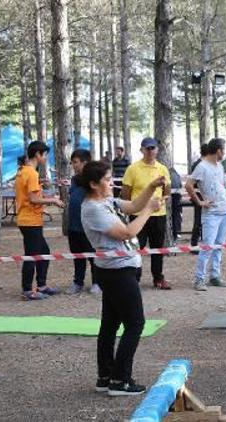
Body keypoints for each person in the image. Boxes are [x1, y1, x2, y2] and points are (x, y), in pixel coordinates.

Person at [79, 160, 164, 396]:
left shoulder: (106, 201)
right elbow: (127, 232)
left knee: (110, 324)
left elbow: (134, 205)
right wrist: (150, 210)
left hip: (120, 269)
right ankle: (119, 380)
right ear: (94, 184)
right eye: (107, 179)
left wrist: (151, 187)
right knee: (135, 324)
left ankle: (105, 376)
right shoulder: (93, 209)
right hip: (116, 271)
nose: (112, 182)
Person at [16, 141, 65, 300]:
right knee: (32, 255)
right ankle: (27, 290)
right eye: (45, 155)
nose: (46, 158)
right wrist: (53, 200)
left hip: (29, 219)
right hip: (29, 220)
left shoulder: (23, 171)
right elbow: (33, 199)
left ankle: (42, 285)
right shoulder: (31, 173)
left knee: (43, 252)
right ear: (37, 154)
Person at [121, 137, 172, 290]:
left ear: (157, 150)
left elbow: (167, 191)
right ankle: (134, 278)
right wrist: (131, 209)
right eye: (147, 148)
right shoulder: (132, 168)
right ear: (142, 150)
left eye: (153, 148)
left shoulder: (162, 168)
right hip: (138, 215)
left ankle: (158, 278)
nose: (150, 151)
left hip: (158, 215)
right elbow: (125, 193)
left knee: (158, 248)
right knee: (137, 248)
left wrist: (163, 200)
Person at [186, 138, 226, 291]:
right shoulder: (202, 166)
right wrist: (199, 202)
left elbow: (223, 187)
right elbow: (188, 185)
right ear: (218, 150)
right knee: (207, 247)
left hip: (225, 211)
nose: (224, 153)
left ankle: (214, 276)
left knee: (219, 246)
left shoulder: (219, 167)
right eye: (223, 149)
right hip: (211, 213)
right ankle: (199, 279)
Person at [66, 149, 100, 295]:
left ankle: (97, 282)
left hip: (89, 226)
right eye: (72, 162)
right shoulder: (74, 180)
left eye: (75, 162)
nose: (73, 165)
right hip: (73, 225)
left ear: (85, 162)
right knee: (77, 256)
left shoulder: (93, 180)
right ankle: (77, 282)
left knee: (93, 256)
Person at [190, 144, 210, 249]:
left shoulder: (197, 163)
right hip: (199, 196)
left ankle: (200, 242)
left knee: (201, 221)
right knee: (198, 221)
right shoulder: (201, 165)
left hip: (201, 196)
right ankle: (194, 244)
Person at [169, 166, 183, 240]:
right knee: (177, 215)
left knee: (173, 215)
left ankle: (174, 233)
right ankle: (177, 232)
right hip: (177, 197)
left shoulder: (169, 174)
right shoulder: (177, 175)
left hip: (172, 197)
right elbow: (180, 185)